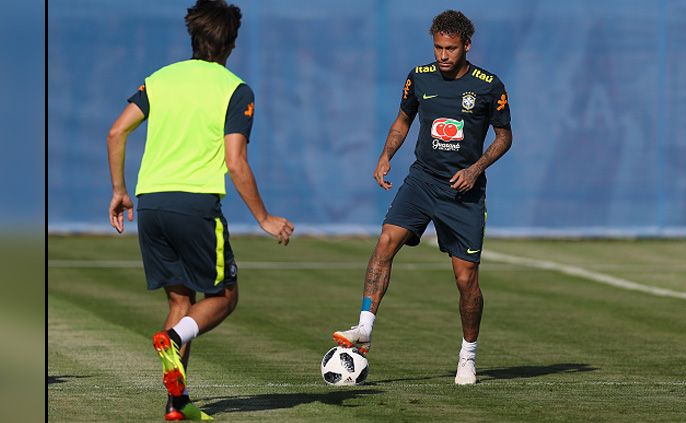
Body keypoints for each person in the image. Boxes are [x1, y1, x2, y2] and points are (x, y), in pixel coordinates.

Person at [106, 0, 294, 419]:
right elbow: (235, 161)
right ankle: (172, 340)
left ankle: (176, 405)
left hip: (150, 203)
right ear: (231, 43)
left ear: (193, 36)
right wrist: (264, 218)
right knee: (224, 297)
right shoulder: (235, 88)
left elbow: (116, 131)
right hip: (193, 205)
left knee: (181, 303)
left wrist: (119, 190)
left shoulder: (160, 79)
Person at [333, 10, 512, 385]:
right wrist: (385, 155)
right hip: (422, 180)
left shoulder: (488, 85)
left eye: (450, 48)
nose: (443, 55)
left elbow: (504, 137)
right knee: (385, 242)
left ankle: (468, 355)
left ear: (466, 46)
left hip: (463, 191)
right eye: (438, 47)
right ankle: (364, 326)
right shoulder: (419, 77)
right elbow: (403, 121)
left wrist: (476, 169)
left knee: (466, 281)